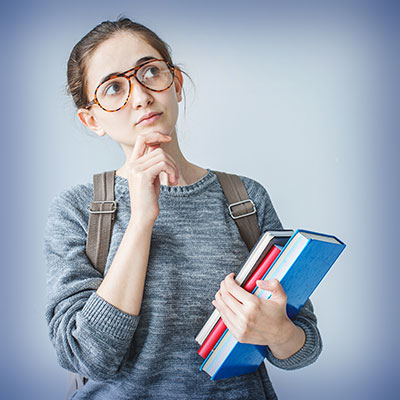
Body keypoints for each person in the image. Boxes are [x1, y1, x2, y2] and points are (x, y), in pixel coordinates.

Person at [43, 17, 322, 400]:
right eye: (113, 88)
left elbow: (303, 348)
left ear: (175, 83)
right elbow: (86, 358)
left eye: (150, 72)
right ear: (92, 119)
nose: (140, 96)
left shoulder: (245, 198)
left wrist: (278, 332)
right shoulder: (78, 210)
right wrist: (142, 218)